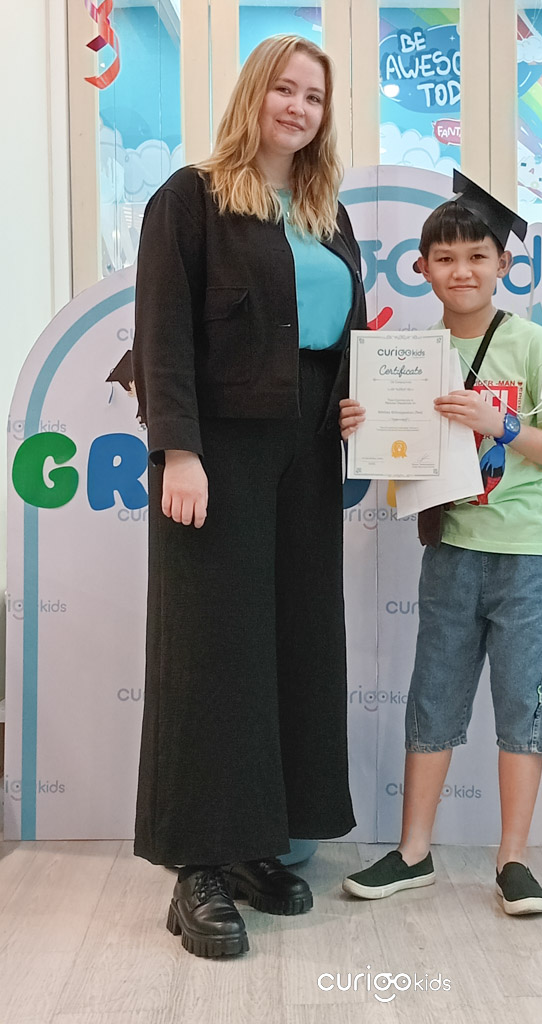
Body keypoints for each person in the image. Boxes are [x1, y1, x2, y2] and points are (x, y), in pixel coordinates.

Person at [131, 34, 366, 959]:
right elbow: (162, 336)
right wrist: (178, 451)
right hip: (219, 446)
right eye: (286, 89)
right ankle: (196, 865)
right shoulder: (190, 198)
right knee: (211, 647)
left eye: (315, 96)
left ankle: (256, 841)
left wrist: (356, 404)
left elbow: (342, 335)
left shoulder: (327, 212)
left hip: (309, 445)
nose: (299, 108)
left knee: (292, 641)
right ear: (254, 94)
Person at [338, 172, 542, 915]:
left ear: (503, 264)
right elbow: (396, 450)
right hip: (450, 546)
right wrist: (363, 426)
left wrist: (500, 424)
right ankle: (414, 852)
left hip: (530, 551)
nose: (462, 271)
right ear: (422, 268)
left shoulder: (534, 344)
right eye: (445, 259)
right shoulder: (411, 356)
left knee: (523, 705)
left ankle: (513, 859)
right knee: (434, 696)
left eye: (477, 256)